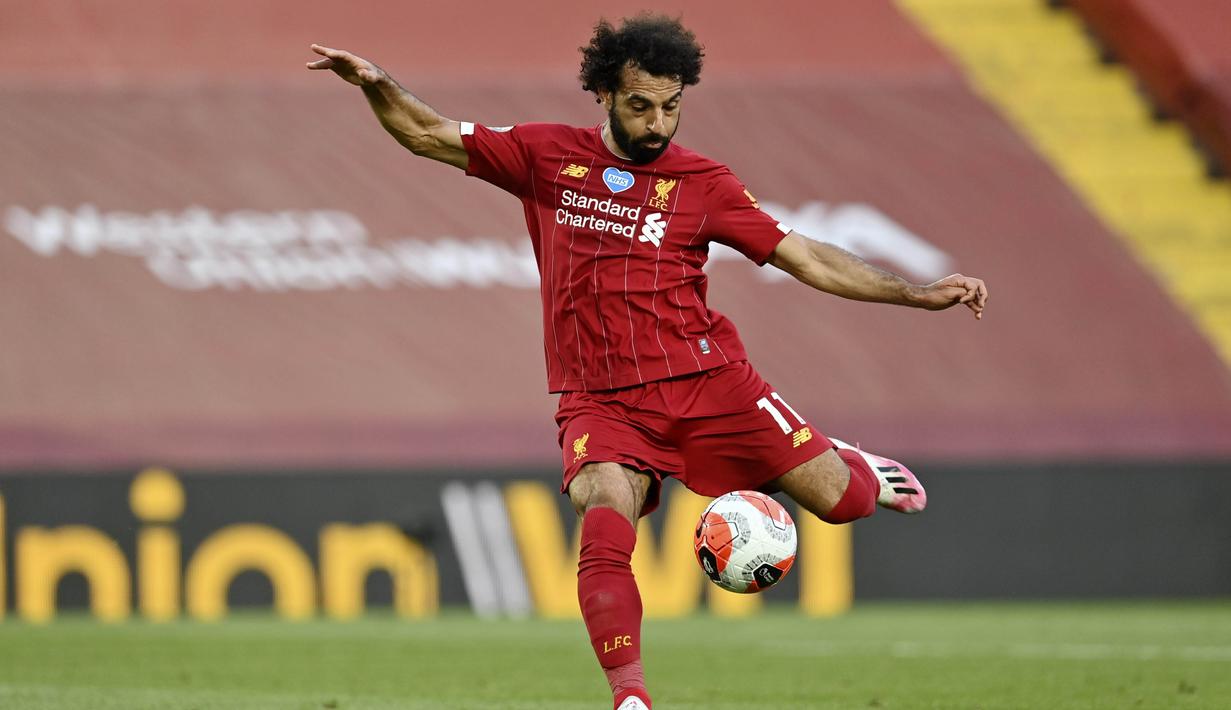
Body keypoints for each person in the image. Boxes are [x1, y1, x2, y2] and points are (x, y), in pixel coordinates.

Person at [308, 14, 987, 710]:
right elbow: (427, 134)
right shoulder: (546, 156)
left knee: (841, 503)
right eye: (640, 105)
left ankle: (846, 458)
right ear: (603, 94)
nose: (657, 122)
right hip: (599, 398)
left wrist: (914, 295)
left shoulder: (703, 183)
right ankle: (630, 699)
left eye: (670, 106)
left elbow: (805, 255)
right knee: (604, 511)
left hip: (707, 381)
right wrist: (376, 83)